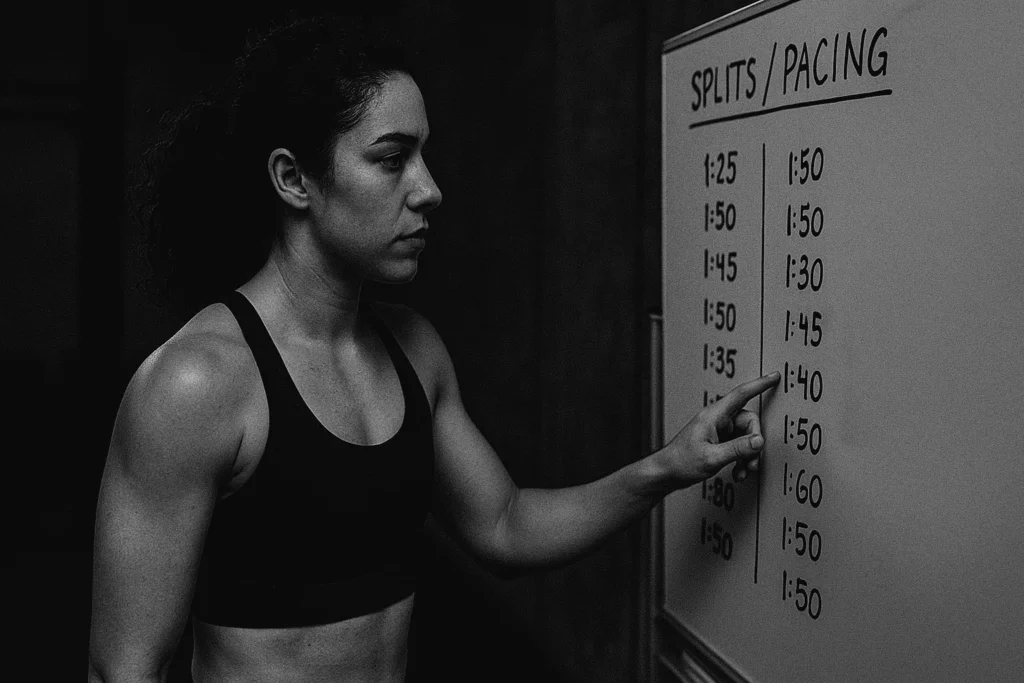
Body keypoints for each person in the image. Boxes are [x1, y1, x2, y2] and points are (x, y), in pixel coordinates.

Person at [89, 15, 780, 683]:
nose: (429, 188)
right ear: (294, 179)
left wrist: (668, 465)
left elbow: (505, 525)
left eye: (423, 155)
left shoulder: (414, 349)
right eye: (392, 159)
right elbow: (123, 666)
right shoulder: (195, 382)